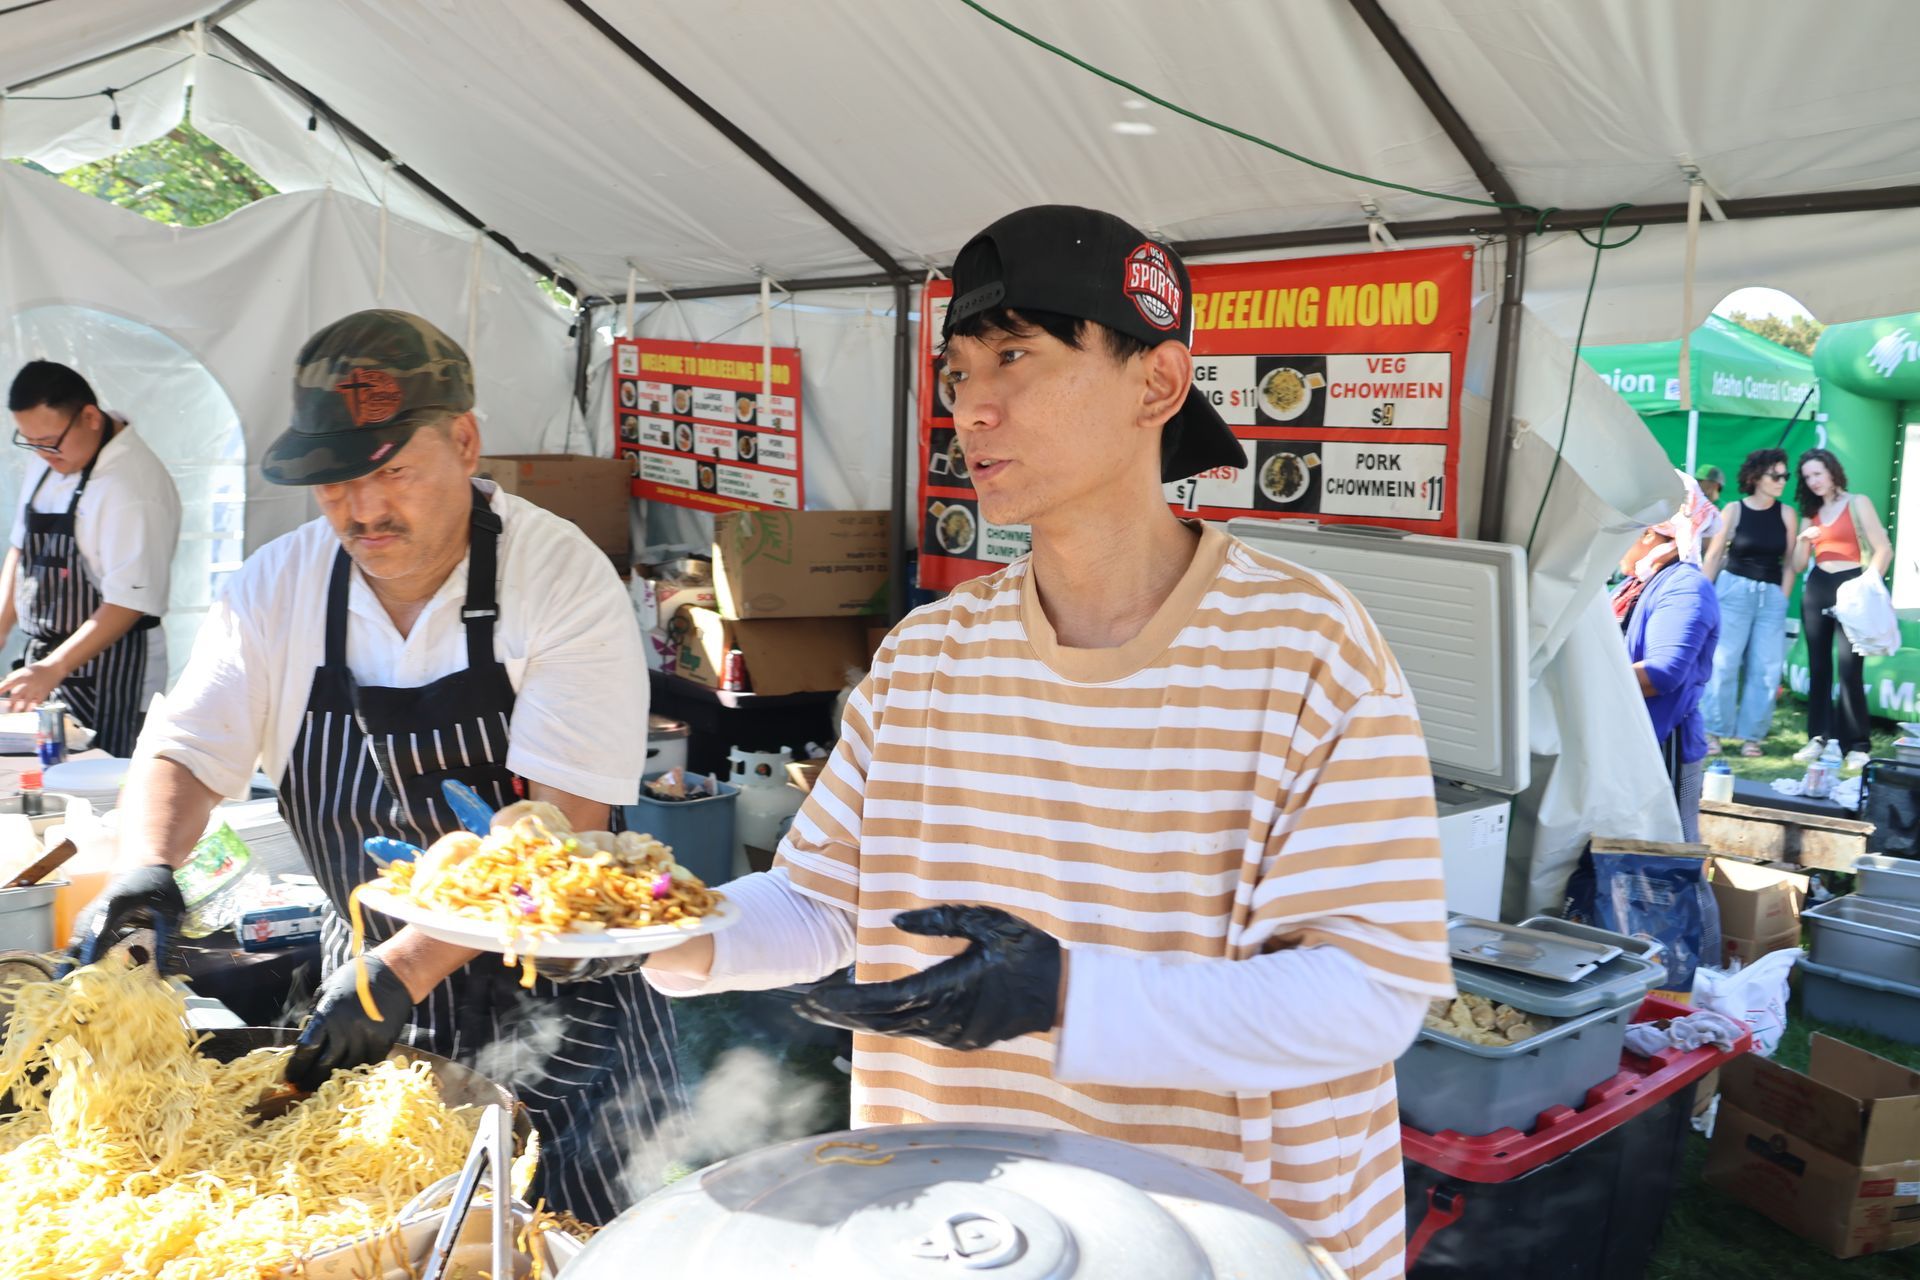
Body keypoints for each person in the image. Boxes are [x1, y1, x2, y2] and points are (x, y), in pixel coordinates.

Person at [644, 206, 1454, 1280]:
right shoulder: (929, 652)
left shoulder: (1306, 650)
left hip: (1232, 1238)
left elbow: (1368, 992)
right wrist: (648, 926)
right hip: (962, 1230)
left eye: (1017, 356)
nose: (973, 406)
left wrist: (1066, 993)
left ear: (1157, 385)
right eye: (960, 368)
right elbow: (827, 902)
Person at [70, 311, 676, 1222]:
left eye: (391, 470)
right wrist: (148, 870)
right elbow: (185, 753)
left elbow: (564, 835)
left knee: (574, 1234)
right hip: (366, 983)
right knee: (389, 1233)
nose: (362, 508)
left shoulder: (558, 578)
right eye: (335, 481)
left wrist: (407, 966)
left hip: (562, 1000)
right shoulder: (279, 584)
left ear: (465, 442)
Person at [1, 361, 181, 755]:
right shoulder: (50, 457)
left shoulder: (131, 488)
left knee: (104, 790)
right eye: (30, 442)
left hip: (116, 673)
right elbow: (21, 547)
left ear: (90, 417)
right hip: (50, 664)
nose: (41, 454)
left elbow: (129, 602)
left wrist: (54, 668)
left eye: (49, 442)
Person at [1614, 473, 1721, 841]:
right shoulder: (1634, 583)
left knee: (1671, 861)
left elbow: (1662, 673)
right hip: (1631, 741)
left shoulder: (1686, 588)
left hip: (1664, 746)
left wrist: (1587, 681)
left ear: (1648, 534)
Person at [1792, 448, 1891, 773]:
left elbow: (1883, 549)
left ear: (1832, 471)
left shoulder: (1857, 502)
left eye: (1817, 473)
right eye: (1808, 477)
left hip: (1851, 586)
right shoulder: (1811, 512)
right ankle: (1818, 737)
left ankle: (1857, 745)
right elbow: (1796, 565)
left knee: (1851, 668)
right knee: (1819, 668)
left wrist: (1867, 585)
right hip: (1818, 585)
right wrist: (1803, 541)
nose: (1814, 481)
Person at [1701, 449, 1796, 757]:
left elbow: (1790, 562)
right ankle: (1713, 732)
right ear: (1756, 478)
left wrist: (1782, 596)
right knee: (1723, 663)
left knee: (1767, 668)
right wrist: (1701, 592)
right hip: (1734, 591)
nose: (1782, 481)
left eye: (1785, 475)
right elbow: (1714, 555)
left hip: (1770, 596)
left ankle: (1752, 736)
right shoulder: (1733, 509)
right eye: (1776, 475)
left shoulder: (1786, 514)